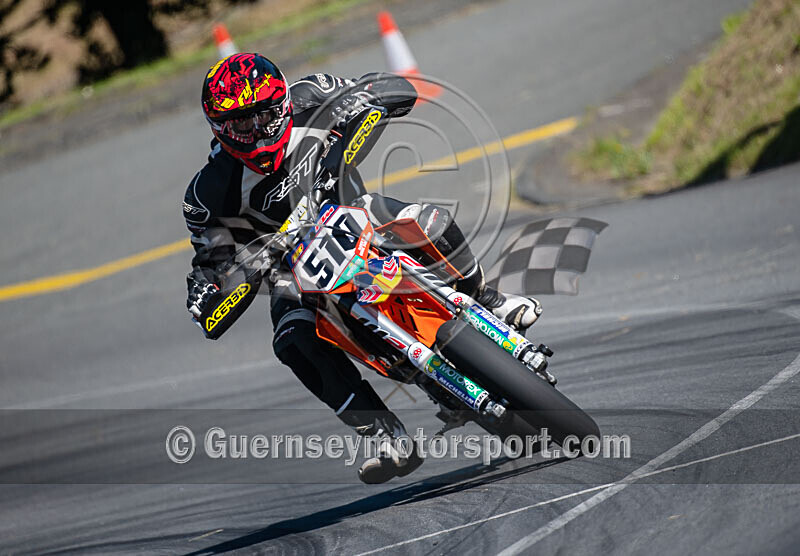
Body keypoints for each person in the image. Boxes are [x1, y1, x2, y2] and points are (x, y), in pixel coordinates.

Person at [183, 53, 542, 483]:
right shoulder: (207, 193)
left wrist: (365, 101)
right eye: (243, 125)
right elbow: (210, 260)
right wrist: (209, 288)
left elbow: (393, 88)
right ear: (221, 129)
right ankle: (382, 432)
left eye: (263, 117)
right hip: (290, 273)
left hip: (359, 216)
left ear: (282, 103)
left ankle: (488, 299)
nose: (257, 133)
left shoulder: (312, 94)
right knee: (291, 340)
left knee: (429, 221)